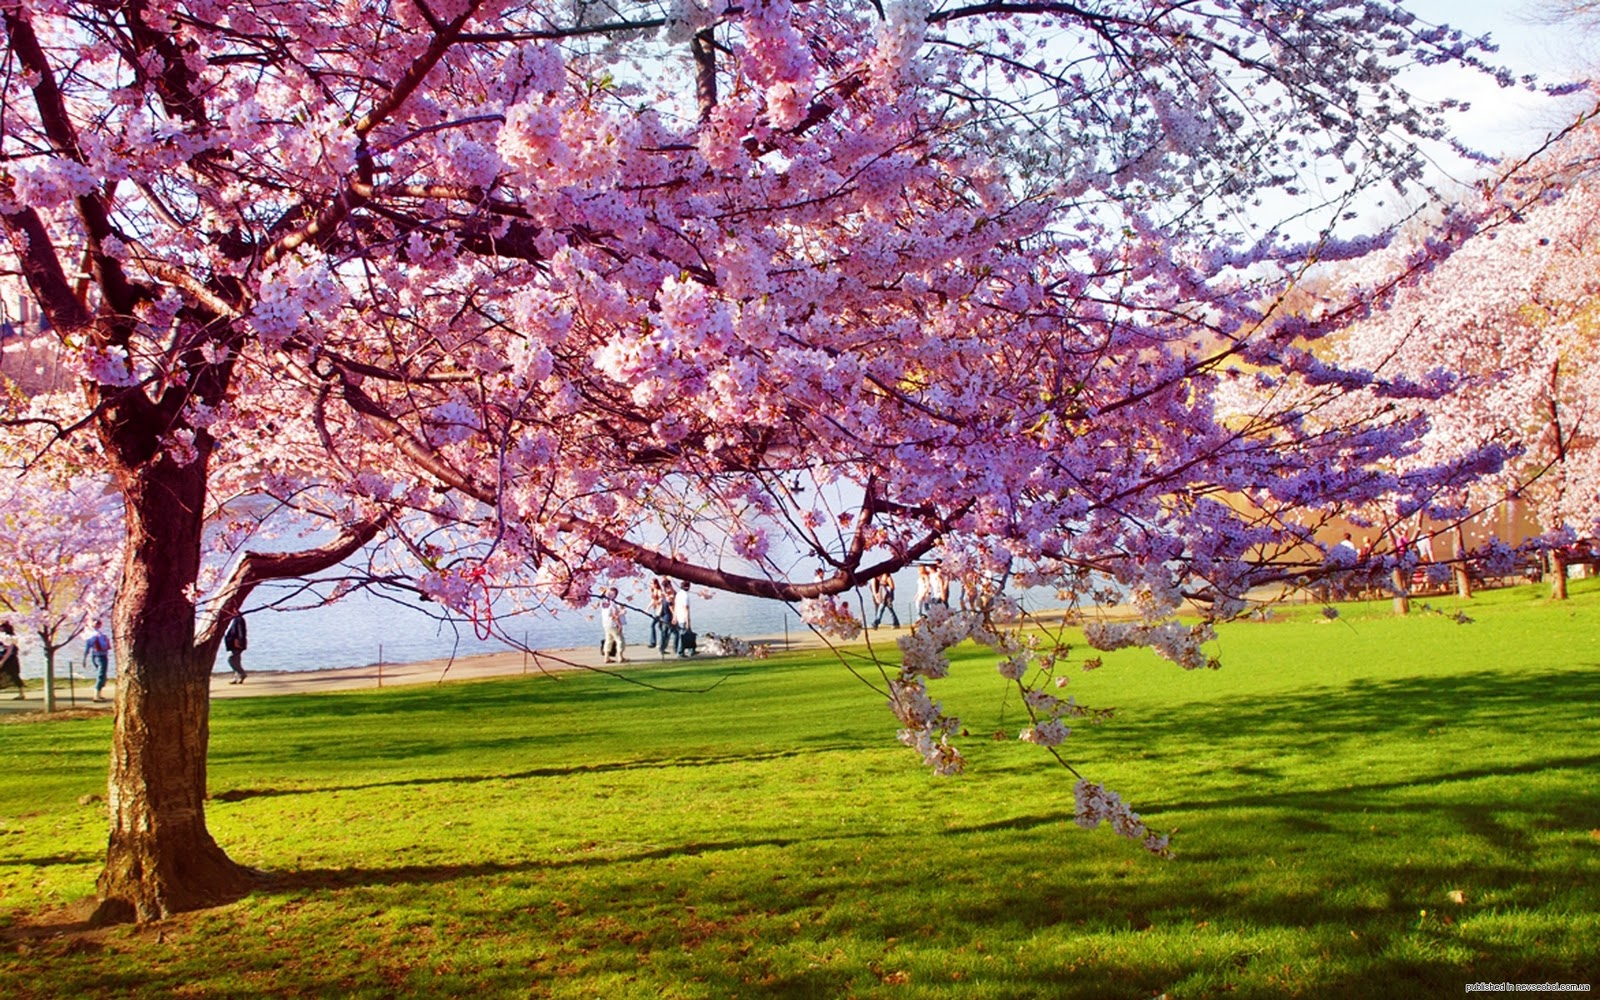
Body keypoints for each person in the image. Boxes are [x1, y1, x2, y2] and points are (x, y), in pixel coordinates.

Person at [84, 619, 112, 702]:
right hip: (99, 656)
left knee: (102, 675)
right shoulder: (94, 634)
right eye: (96, 623)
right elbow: (88, 646)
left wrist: (85, 658)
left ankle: (99, 694)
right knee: (101, 675)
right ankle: (96, 695)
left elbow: (88, 647)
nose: (98, 625)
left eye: (99, 623)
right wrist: (84, 658)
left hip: (100, 655)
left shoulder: (97, 634)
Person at [601, 587, 627, 663]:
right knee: (620, 640)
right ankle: (620, 657)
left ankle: (606, 657)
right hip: (613, 624)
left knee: (608, 640)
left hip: (606, 624)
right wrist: (619, 624)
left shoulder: (604, 604)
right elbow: (614, 615)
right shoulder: (612, 604)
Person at [222, 611, 248, 684]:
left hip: (236, 643)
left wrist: (239, 641)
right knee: (236, 660)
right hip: (236, 643)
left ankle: (241, 673)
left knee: (231, 659)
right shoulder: (236, 619)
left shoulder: (238, 619)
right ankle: (236, 678)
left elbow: (240, 632)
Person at [0, 622, 24, 699]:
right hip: (2, 657)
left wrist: (2, 661)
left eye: (1, 627)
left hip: (10, 660)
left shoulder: (10, 638)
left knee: (14, 675)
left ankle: (21, 694)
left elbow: (9, 651)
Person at [655, 578, 676, 655]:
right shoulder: (668, 597)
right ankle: (675, 648)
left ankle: (662, 648)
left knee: (665, 634)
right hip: (667, 617)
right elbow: (671, 608)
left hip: (664, 617)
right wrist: (674, 617)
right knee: (673, 633)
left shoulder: (664, 596)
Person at [673, 580, 693, 656]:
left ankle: (691, 650)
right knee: (683, 635)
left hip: (679, 617)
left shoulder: (678, 594)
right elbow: (686, 608)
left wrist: (674, 617)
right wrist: (688, 621)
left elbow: (675, 606)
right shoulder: (685, 595)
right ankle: (680, 652)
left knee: (683, 634)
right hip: (683, 618)